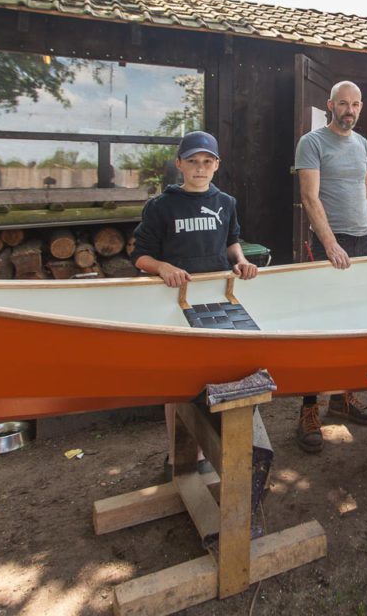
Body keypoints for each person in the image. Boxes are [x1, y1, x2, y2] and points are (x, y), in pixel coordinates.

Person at [129, 130, 258, 474]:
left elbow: (232, 243)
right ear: (179, 165)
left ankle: (215, 451)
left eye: (207, 161)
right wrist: (163, 267)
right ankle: (178, 456)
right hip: (173, 303)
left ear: (216, 165)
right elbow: (140, 256)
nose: (199, 168)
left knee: (217, 376)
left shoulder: (226, 203)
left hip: (216, 303)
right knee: (179, 383)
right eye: (192, 162)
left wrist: (241, 261)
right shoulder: (160, 206)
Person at [293, 80, 367, 453]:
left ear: (361, 107)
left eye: (355, 105)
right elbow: (309, 197)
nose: (349, 110)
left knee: (356, 323)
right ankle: (309, 408)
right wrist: (330, 244)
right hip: (330, 244)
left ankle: (343, 398)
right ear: (330, 105)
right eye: (343, 104)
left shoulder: (361, 143)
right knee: (319, 329)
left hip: (363, 241)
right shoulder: (312, 142)